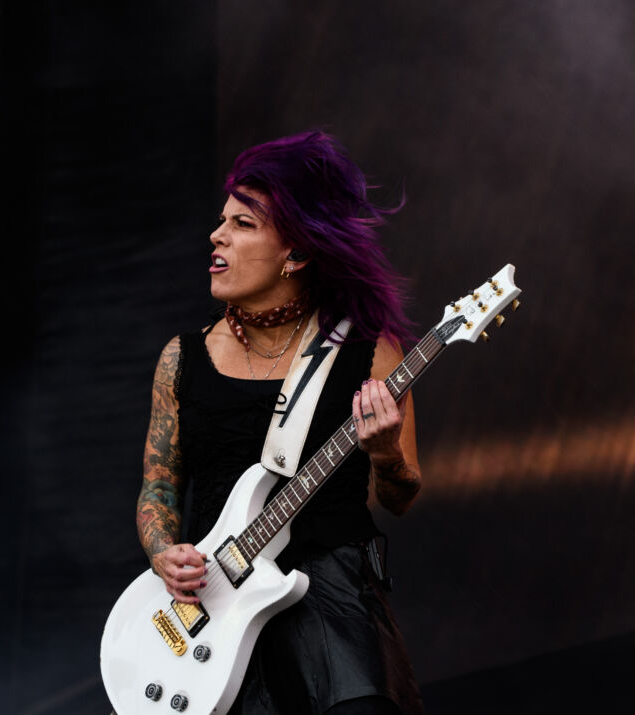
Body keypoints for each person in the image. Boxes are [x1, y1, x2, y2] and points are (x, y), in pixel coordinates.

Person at [135, 131, 423, 715]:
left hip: (333, 606)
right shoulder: (182, 359)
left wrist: (386, 452)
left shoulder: (369, 353)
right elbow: (159, 487)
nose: (217, 235)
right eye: (222, 221)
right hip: (214, 613)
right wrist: (163, 551)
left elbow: (401, 496)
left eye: (242, 224)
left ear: (296, 253)